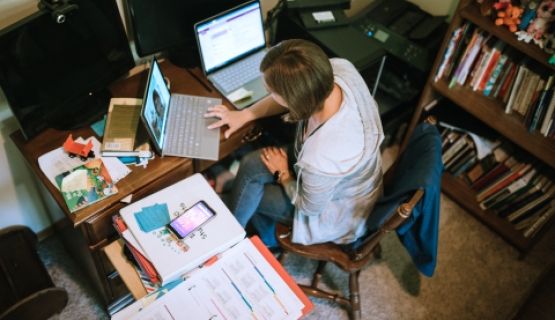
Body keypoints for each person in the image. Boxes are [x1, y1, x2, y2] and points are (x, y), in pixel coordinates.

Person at [204, 39, 384, 247]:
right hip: (320, 171)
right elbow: (288, 98)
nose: (269, 95)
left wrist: (284, 175)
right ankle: (237, 221)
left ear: (295, 101)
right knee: (251, 164)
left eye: (272, 92)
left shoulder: (325, 152)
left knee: (247, 197)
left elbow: (309, 207)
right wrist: (246, 114)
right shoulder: (336, 70)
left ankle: (230, 241)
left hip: (331, 210)